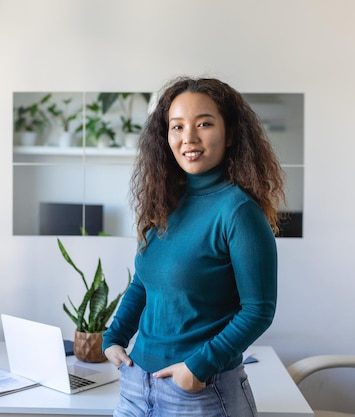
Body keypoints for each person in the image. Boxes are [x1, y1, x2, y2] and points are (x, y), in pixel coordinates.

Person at [102, 76, 286, 417]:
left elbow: (258, 310)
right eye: (177, 126)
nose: (189, 138)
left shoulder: (238, 211)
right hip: (136, 387)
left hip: (199, 392)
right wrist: (113, 337)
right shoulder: (164, 202)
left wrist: (198, 367)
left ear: (230, 134)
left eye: (204, 124)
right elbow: (144, 283)